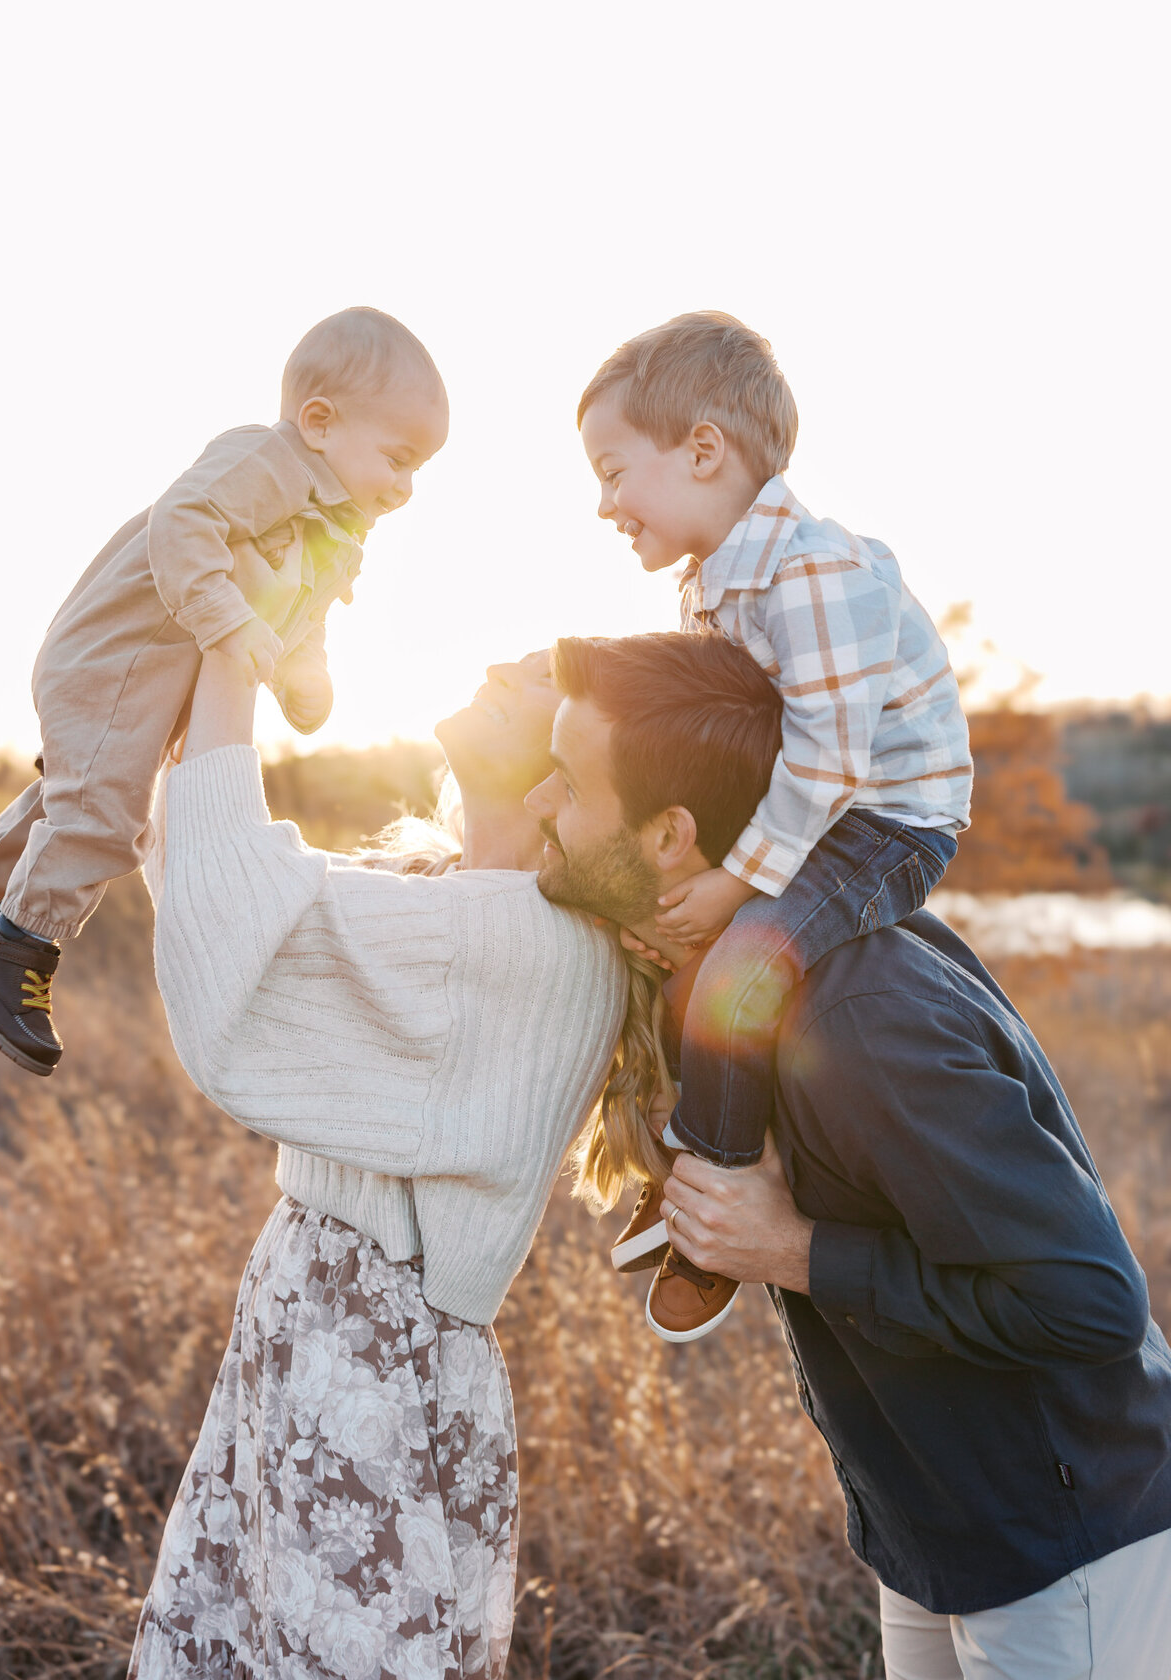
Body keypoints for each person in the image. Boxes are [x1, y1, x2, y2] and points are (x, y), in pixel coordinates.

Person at [528, 629, 1171, 1678]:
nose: (544, 802)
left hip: (1071, 1550)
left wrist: (794, 1251)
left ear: (670, 836)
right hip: (933, 1540)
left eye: (565, 780)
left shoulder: (865, 1015)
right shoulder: (737, 990)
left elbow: (1093, 1306)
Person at [125, 644, 640, 1680]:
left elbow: (235, 927)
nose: (505, 664)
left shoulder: (536, 942)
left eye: (545, 676)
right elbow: (218, 892)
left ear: (571, 766)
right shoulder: (444, 891)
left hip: (377, 1354)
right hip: (312, 1323)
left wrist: (234, 647)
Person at [577, 312, 972, 1339]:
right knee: (674, 943)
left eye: (615, 471)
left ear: (702, 449)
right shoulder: (709, 588)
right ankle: (696, 1134)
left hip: (887, 817)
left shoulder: (815, 572)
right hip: (812, 812)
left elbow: (829, 761)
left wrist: (736, 882)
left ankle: (712, 1186)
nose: (604, 503)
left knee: (747, 960)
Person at [0, 307, 449, 1077]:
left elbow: (303, 613)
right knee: (105, 815)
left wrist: (304, 674)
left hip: (155, 680)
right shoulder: (267, 461)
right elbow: (182, 522)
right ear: (319, 422)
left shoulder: (336, 527)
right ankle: (17, 948)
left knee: (85, 793)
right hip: (118, 654)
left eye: (418, 470)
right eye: (398, 459)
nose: (406, 486)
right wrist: (227, 618)